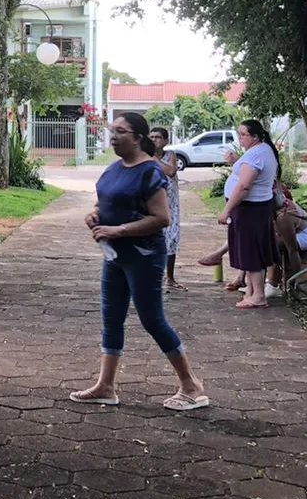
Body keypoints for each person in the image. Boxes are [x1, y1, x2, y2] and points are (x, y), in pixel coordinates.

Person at [71, 112, 208, 412]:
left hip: (144, 256)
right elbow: (105, 201)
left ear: (137, 137)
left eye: (121, 131)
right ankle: (105, 386)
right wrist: (94, 214)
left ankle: (191, 385)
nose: (114, 135)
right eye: (112, 130)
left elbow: (161, 218)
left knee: (151, 319)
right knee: (111, 317)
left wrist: (117, 229)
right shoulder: (113, 168)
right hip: (115, 255)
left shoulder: (150, 171)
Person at [218, 119, 279, 309]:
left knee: (251, 250)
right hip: (251, 208)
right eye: (238, 134)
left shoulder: (257, 154)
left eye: (243, 134)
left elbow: (244, 185)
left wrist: (226, 210)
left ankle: (258, 295)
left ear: (255, 136)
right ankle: (252, 292)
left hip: (250, 208)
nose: (240, 138)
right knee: (249, 249)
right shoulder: (258, 151)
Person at [150, 127, 186, 291]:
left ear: (165, 141)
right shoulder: (144, 155)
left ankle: (169, 277)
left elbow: (171, 171)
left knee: (171, 237)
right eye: (151, 137)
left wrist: (154, 159)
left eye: (158, 137)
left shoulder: (170, 155)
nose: (154, 140)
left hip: (170, 202)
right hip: (151, 202)